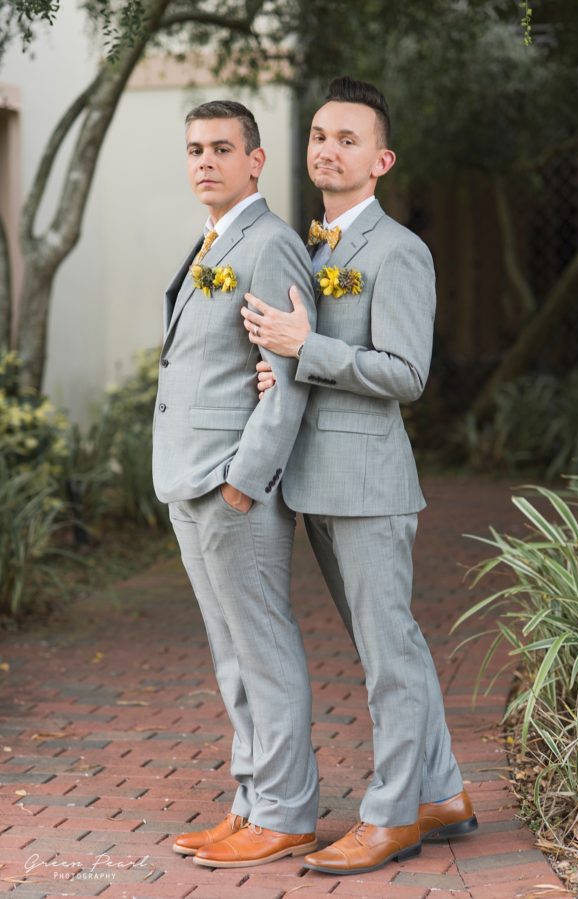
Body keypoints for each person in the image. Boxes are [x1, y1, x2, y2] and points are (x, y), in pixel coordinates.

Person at [238, 76, 478, 876]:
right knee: (390, 648)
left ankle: (393, 814)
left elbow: (406, 373)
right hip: (315, 479)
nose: (328, 150)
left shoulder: (399, 249)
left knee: (389, 656)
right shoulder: (312, 250)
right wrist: (282, 368)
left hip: (370, 483)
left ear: (382, 159)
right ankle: (443, 792)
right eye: (318, 136)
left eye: (348, 139)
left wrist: (305, 348)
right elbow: (308, 358)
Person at [152, 100, 320, 868]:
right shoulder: (214, 239)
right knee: (232, 655)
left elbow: (288, 375)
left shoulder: (271, 243)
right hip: (188, 478)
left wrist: (243, 482)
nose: (205, 161)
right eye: (195, 149)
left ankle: (286, 811)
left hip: (231, 482)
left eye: (222, 148)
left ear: (256, 160)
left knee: (263, 647)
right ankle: (252, 799)